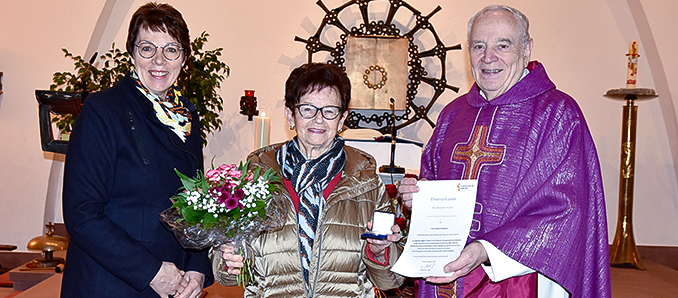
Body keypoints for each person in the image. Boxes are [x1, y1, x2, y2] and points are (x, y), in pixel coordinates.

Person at [398, 5, 611, 298]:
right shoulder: (453, 115)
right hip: (446, 276)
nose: (489, 58)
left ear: (526, 49)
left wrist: (485, 249)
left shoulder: (558, 113)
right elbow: (436, 189)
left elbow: (566, 210)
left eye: (503, 45)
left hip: (520, 280)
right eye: (479, 46)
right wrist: (418, 198)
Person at [210, 63, 404, 297]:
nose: (319, 119)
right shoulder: (255, 177)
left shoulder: (367, 182)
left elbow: (390, 280)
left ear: (342, 119)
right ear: (291, 115)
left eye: (330, 110)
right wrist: (229, 261)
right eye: (308, 109)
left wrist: (380, 252)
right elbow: (226, 276)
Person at [61, 3, 213, 298]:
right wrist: (151, 271)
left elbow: (197, 205)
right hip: (109, 284)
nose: (159, 60)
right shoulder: (103, 110)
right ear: (132, 53)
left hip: (173, 285)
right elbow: (82, 214)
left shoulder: (187, 119)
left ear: (184, 58)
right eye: (147, 48)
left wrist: (197, 267)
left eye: (171, 49)